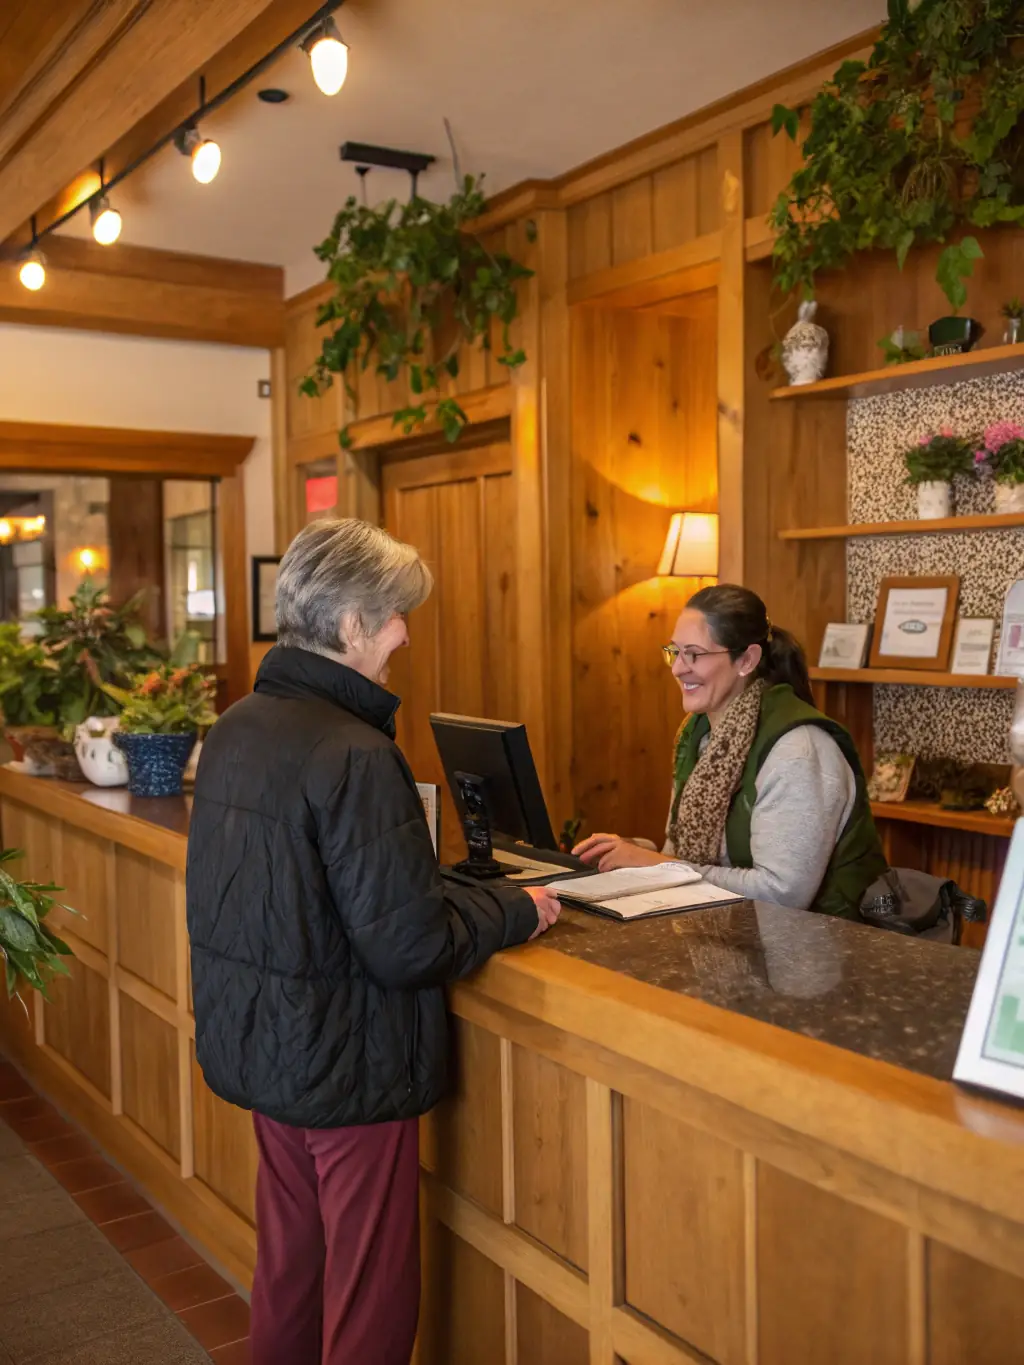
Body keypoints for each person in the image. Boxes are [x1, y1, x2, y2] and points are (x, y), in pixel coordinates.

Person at [186, 518, 560, 1365]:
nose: (403, 634)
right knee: (369, 1293)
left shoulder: (239, 724)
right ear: (352, 626)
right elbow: (410, 947)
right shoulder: (356, 753)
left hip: (269, 1050)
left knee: (290, 1270)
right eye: (395, 615)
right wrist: (515, 909)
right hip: (350, 1064)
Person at [573, 583, 886, 916]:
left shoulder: (798, 751)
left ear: (747, 660)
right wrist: (630, 853)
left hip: (825, 950)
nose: (678, 668)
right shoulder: (696, 734)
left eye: (694, 654)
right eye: (674, 651)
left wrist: (659, 866)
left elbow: (782, 896)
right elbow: (679, 853)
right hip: (731, 939)